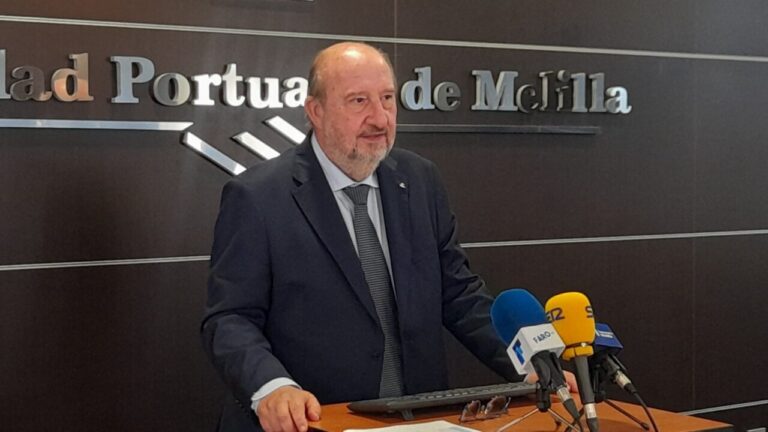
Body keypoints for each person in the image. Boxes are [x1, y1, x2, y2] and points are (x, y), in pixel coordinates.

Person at [201, 42, 557, 432]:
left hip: (418, 420)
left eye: (387, 99)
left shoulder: (420, 179)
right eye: (358, 101)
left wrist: (529, 365)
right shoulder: (258, 196)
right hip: (313, 421)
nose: (379, 118)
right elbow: (230, 317)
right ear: (315, 111)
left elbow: (459, 294)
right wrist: (272, 387)